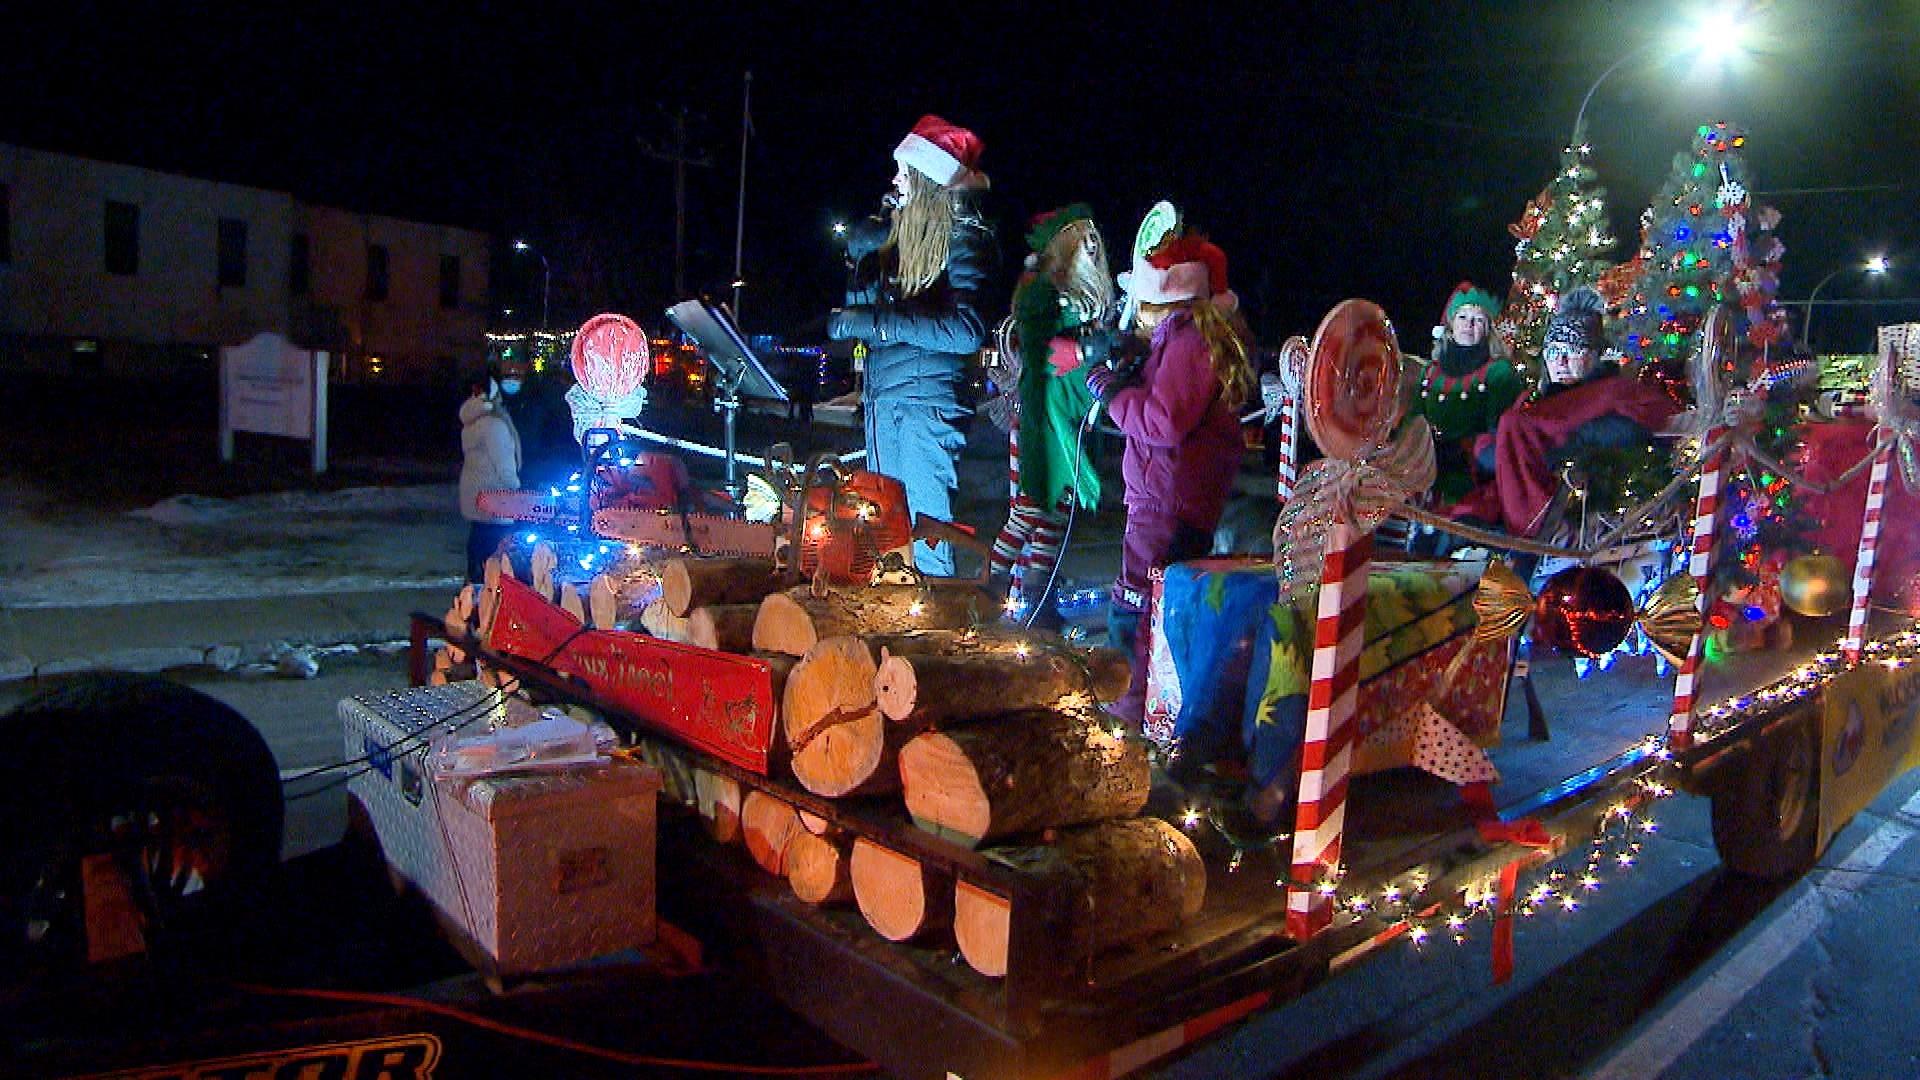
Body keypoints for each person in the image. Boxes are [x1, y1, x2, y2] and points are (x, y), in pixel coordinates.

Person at [1086, 232, 1252, 728]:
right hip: (1170, 498)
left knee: (1137, 611)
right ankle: (1153, 717)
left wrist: (1111, 392)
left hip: (1166, 501)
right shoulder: (1186, 341)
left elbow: (1163, 421)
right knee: (1159, 609)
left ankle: (1127, 724)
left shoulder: (1189, 341)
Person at [828, 115, 995, 576]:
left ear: (927, 180)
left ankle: (937, 614)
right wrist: (860, 262)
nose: (895, 180)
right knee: (883, 532)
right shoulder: (902, 239)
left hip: (925, 403)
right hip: (885, 396)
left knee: (923, 532)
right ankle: (892, 614)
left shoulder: (964, 236)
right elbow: (866, 320)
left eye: (904, 171)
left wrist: (878, 324)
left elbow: (967, 329)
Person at [988, 204, 1114, 628]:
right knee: (1034, 504)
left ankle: (1038, 598)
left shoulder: (1088, 298)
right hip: (1043, 415)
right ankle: (990, 585)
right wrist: (1081, 349)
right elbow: (1033, 345)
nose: (1091, 244)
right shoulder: (1040, 290)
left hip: (1073, 416)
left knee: (1057, 511)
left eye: (1093, 237)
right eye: (1082, 236)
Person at [1487, 286, 1678, 536]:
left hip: (1592, 516)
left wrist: (1572, 439)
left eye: (1573, 350)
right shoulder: (1536, 403)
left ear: (1594, 356)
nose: (1561, 361)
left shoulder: (1611, 392)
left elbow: (1645, 424)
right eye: (1553, 351)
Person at [1405, 282, 1525, 505]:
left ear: (1487, 329)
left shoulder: (1499, 373)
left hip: (1473, 484)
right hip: (1424, 477)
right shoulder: (1430, 372)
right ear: (1451, 324)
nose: (1469, 325)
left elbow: (1501, 438)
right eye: (1462, 317)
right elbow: (1413, 423)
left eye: (1478, 319)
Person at [458, 357, 525, 582]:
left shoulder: (473, 421)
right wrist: (516, 487)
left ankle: (474, 582)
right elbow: (504, 463)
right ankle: (488, 587)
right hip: (496, 497)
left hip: (476, 493)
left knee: (478, 539)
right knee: (496, 548)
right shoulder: (494, 424)